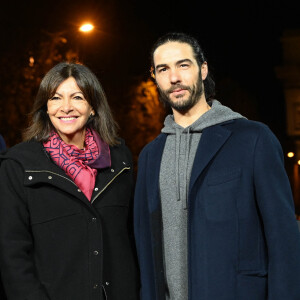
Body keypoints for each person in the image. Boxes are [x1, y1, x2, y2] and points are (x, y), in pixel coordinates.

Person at [134, 32, 300, 300]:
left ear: (203, 69)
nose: (174, 77)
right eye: (163, 69)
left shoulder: (253, 139)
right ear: (154, 77)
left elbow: (284, 241)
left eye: (183, 65)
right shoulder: (150, 156)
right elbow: (145, 247)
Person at [0, 62, 140, 300]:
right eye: (55, 98)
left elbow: (131, 238)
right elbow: (12, 253)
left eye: (77, 97)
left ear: (93, 107)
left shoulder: (120, 160)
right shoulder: (19, 165)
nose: (66, 108)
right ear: (45, 107)